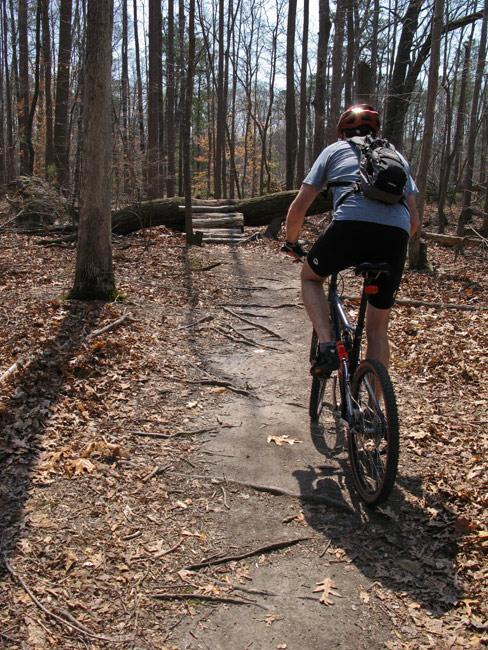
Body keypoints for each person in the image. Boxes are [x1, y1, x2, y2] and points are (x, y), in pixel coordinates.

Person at [283, 104, 420, 377]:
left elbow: (299, 208)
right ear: (376, 131)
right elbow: (415, 221)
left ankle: (327, 346)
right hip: (396, 235)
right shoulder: (396, 157)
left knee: (310, 277)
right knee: (377, 327)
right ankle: (374, 413)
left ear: (341, 132)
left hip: (349, 225)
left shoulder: (334, 150)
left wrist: (292, 242)